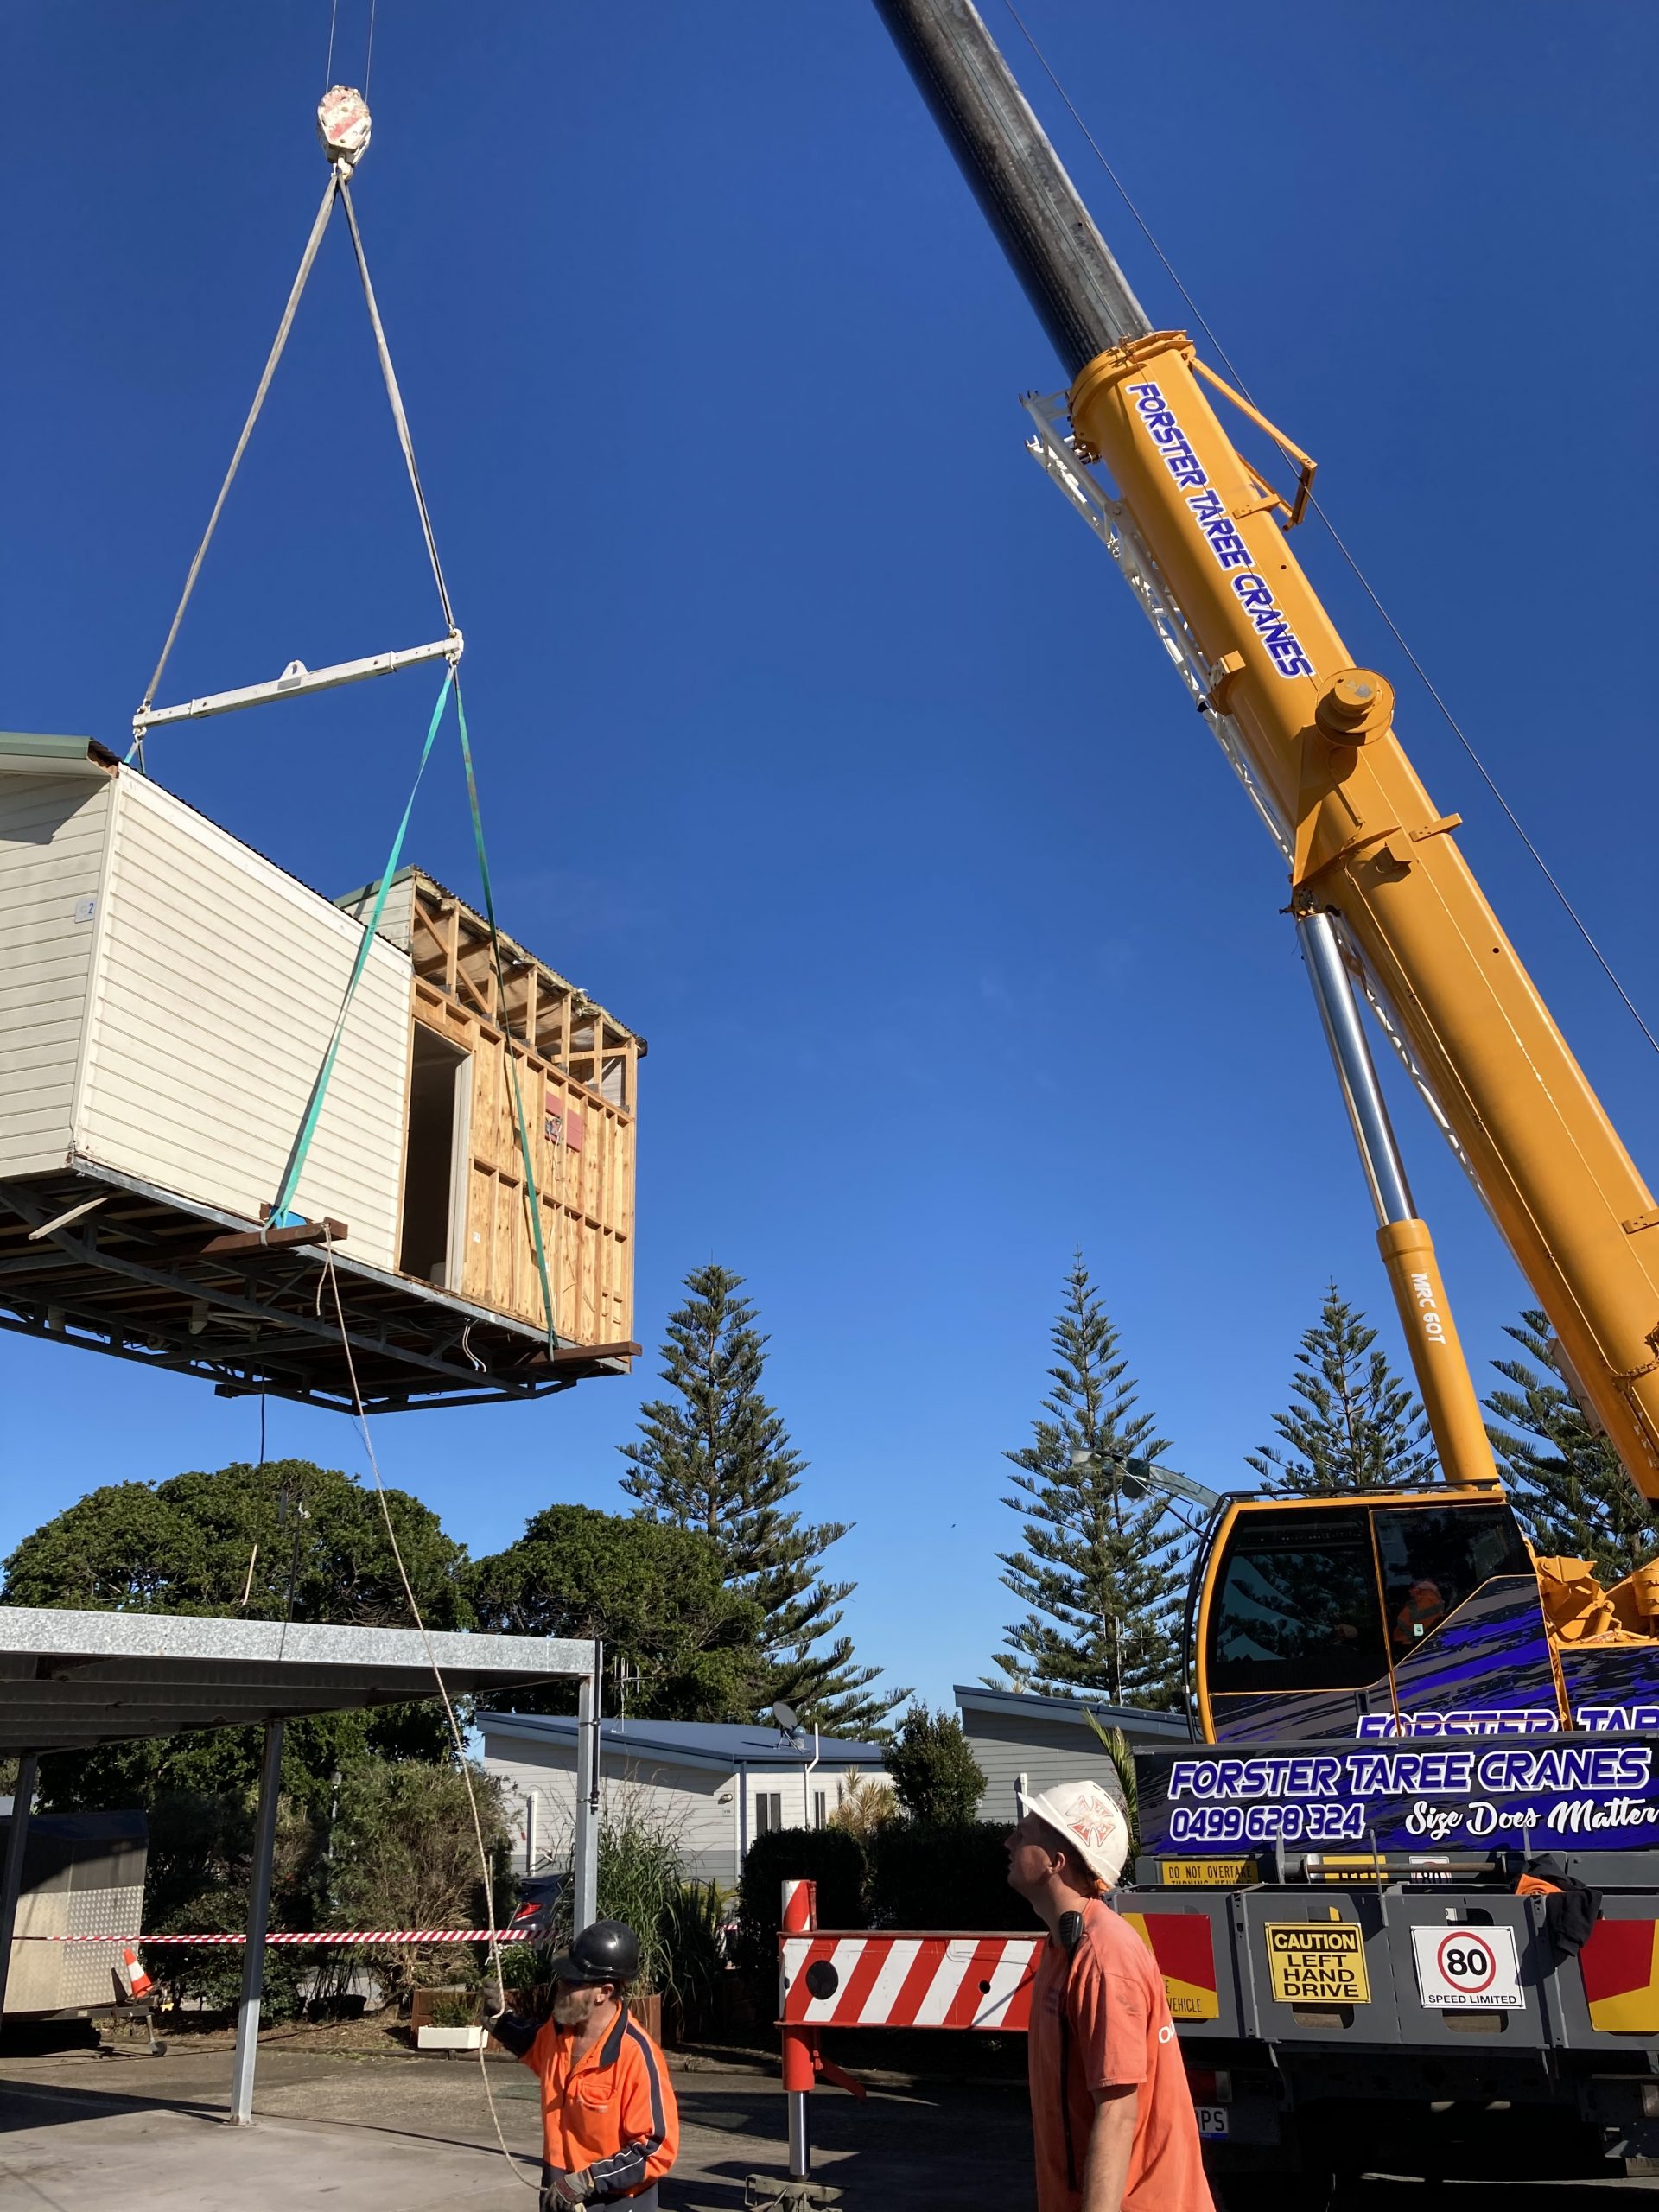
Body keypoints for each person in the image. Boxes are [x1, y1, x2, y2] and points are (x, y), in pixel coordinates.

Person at [1007, 1779, 1212, 2212]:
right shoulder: (1064, 1946)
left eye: (1023, 1834)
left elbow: (1117, 2115)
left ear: (1055, 1862)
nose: (1008, 1841)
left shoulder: (1104, 1959)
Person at [490, 1918, 678, 2210]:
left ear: (603, 1992)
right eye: (562, 1977)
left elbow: (656, 2149)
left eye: (573, 1982)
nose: (561, 1987)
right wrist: (498, 2021)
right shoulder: (558, 2033)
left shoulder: (635, 2056)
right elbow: (533, 2046)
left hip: (613, 2201)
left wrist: (587, 2180)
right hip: (557, 2190)